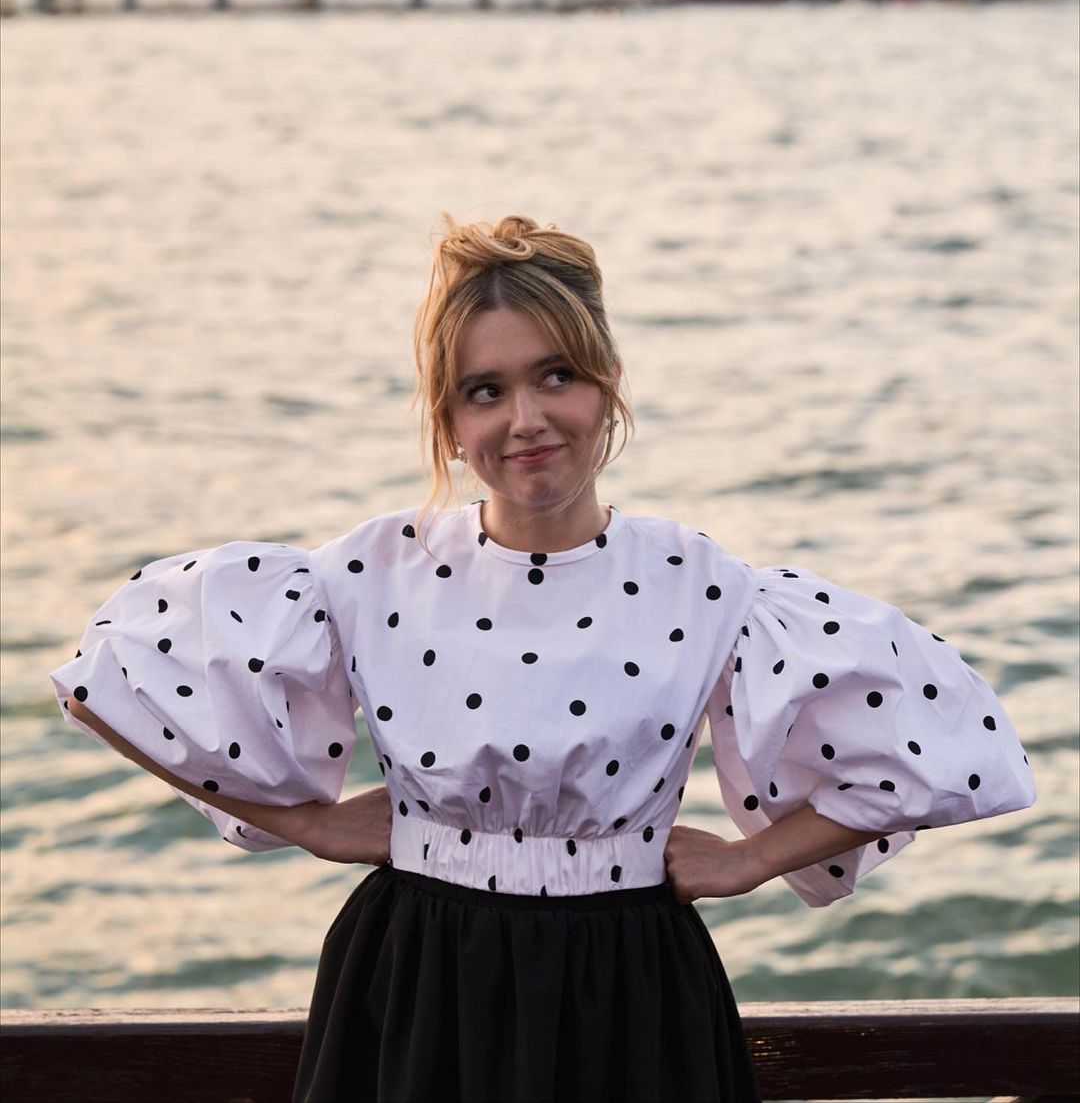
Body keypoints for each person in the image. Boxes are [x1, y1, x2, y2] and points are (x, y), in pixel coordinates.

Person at [52, 214, 1036, 1103]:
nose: (525, 418)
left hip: (631, 990)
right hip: (419, 981)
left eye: (555, 375)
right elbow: (115, 673)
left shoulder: (703, 582)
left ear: (608, 385)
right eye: (485, 392)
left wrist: (749, 861)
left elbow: (955, 750)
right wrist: (307, 822)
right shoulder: (370, 571)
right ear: (449, 422)